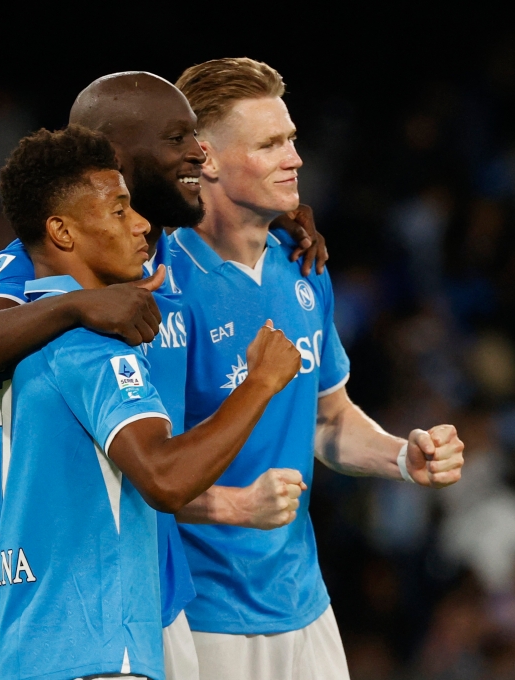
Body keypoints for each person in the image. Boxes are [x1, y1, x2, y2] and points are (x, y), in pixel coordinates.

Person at [0, 71, 323, 680]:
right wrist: (77, 307)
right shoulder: (57, 285)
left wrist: (271, 222)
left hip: (139, 597)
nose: (199, 153)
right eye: (177, 138)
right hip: (80, 614)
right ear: (116, 157)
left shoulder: (158, 251)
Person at [168, 57, 466, 679]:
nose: (295, 158)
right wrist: (236, 504)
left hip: (306, 605)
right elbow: (142, 470)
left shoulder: (303, 267)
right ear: (206, 159)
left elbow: (328, 419)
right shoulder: (163, 289)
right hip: (200, 615)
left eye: (292, 139)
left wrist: (400, 457)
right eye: (270, 144)